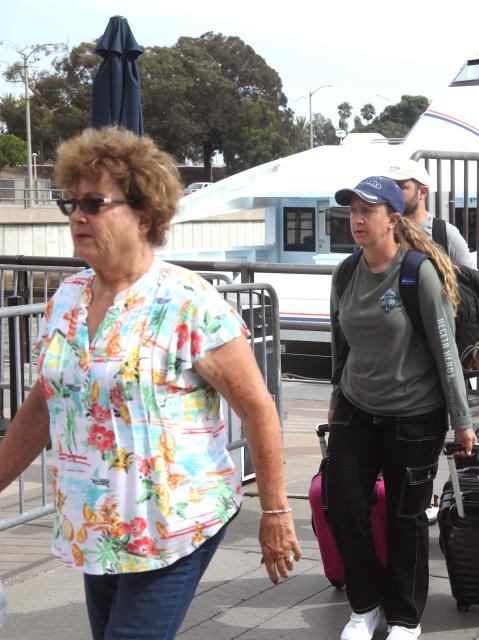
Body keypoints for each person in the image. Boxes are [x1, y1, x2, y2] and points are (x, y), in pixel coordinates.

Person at [0, 127, 300, 640]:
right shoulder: (66, 299)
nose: (77, 216)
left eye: (94, 203)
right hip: (94, 525)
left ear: (144, 215)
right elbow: (45, 406)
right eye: (69, 203)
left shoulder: (188, 301)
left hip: (173, 524)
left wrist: (275, 511)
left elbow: (257, 408)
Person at [325, 176, 477, 640]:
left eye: (366, 211)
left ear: (393, 218)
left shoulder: (417, 272)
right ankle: (366, 605)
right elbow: (340, 346)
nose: (356, 220)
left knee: (405, 518)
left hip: (415, 414)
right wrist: (335, 401)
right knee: (343, 507)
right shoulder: (346, 273)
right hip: (356, 405)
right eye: (352, 211)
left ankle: (406, 616)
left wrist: (463, 423)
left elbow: (446, 352)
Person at [386, 158, 473, 269]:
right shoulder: (383, 230)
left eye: (400, 187)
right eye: (390, 187)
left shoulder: (445, 234)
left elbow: (474, 282)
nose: (392, 193)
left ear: (422, 192)